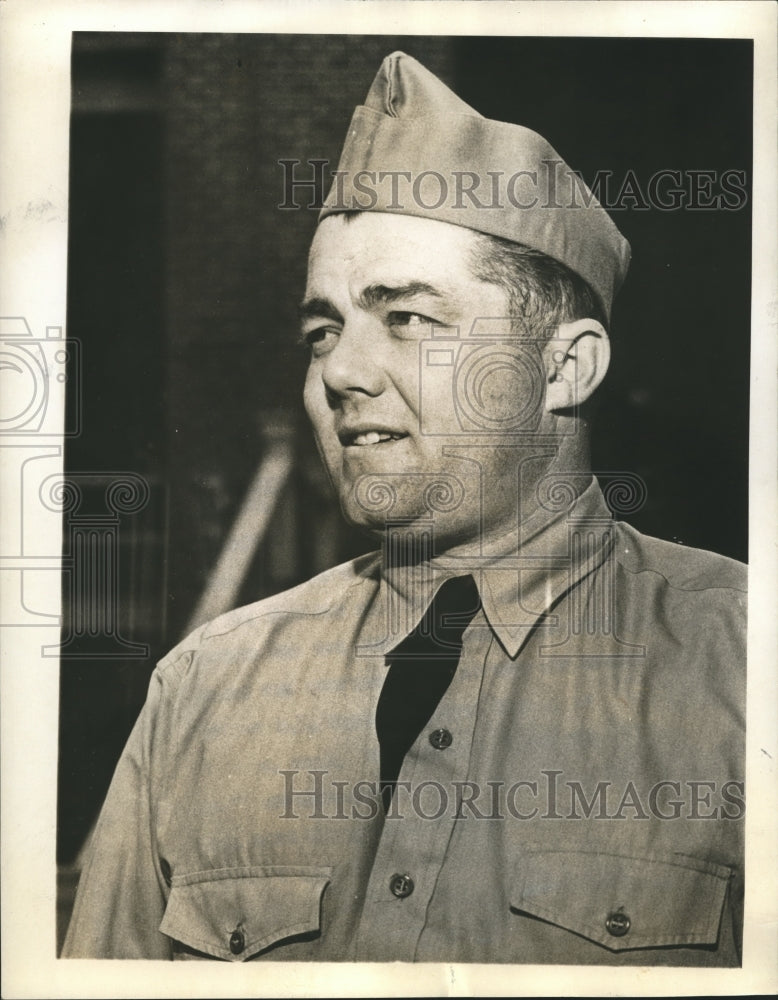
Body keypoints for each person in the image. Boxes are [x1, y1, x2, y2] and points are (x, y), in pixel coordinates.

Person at [63, 51, 746, 965]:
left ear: (566, 366)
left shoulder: (743, 668)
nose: (341, 372)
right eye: (322, 331)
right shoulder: (204, 690)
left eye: (409, 319)